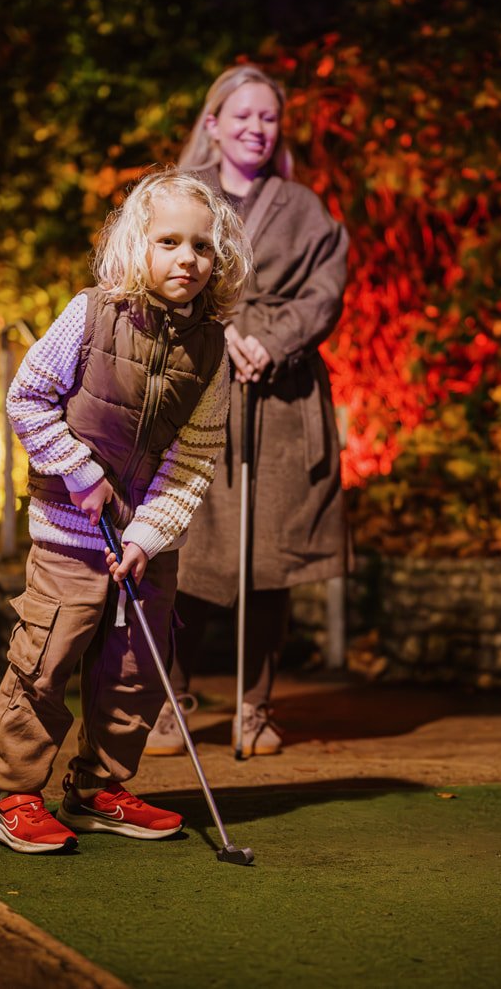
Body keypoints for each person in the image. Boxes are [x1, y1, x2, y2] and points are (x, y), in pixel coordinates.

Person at [0, 168, 246, 854]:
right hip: (71, 533)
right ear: (138, 248)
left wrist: (150, 534)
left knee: (133, 669)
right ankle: (13, 793)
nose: (187, 257)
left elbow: (195, 458)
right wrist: (78, 468)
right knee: (46, 661)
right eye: (170, 242)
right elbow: (27, 398)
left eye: (202, 246)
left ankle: (101, 788)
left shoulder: (212, 350)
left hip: (142, 545)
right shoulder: (92, 313)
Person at [150, 64, 349, 757]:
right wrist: (217, 328)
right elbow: (148, 271)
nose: (256, 129)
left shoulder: (304, 207)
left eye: (268, 117)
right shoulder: (181, 200)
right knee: (187, 550)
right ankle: (168, 703)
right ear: (213, 122)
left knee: (269, 558)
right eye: (242, 116)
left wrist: (273, 340)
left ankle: (255, 708)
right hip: (200, 388)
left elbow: (324, 292)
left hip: (282, 400)